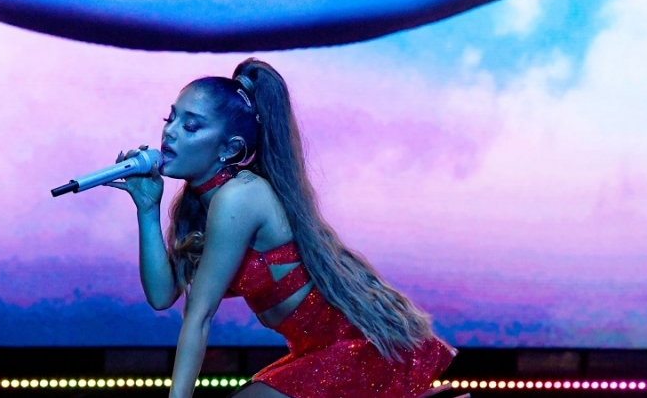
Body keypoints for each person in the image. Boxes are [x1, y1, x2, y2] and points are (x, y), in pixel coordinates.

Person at [106, 58, 456, 398]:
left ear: (230, 148)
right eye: (171, 118)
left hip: (357, 352)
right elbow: (162, 296)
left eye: (191, 127)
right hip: (318, 354)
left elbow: (199, 315)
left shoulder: (240, 197)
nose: (170, 132)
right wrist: (148, 209)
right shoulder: (199, 206)